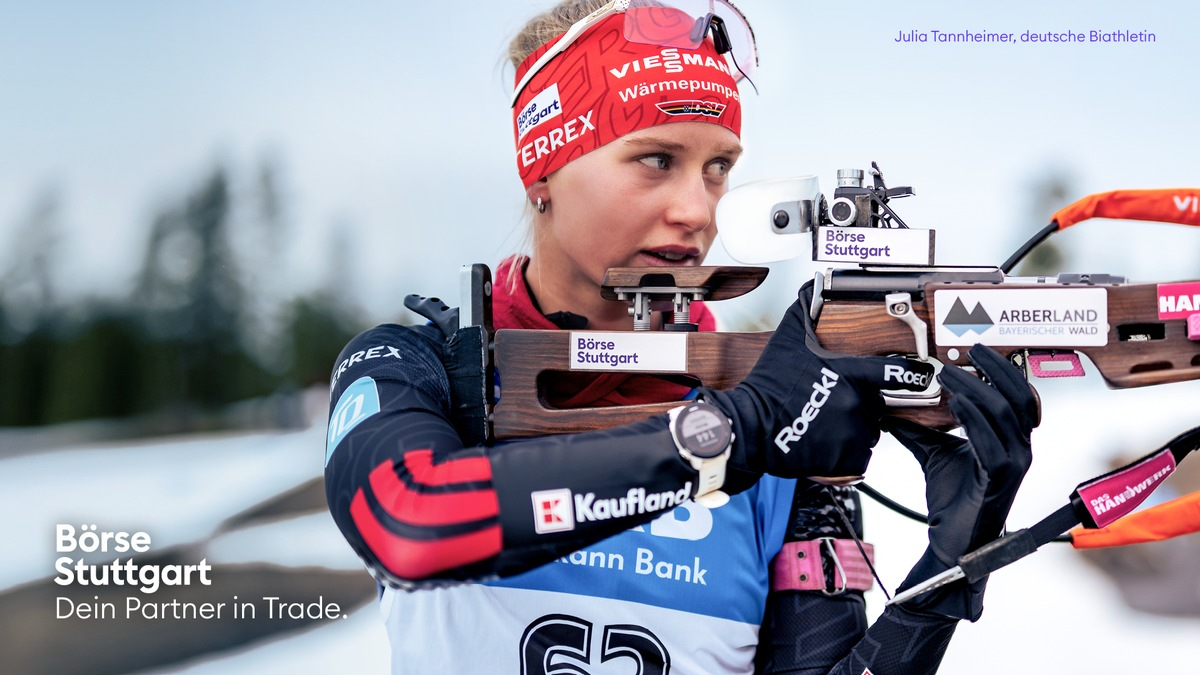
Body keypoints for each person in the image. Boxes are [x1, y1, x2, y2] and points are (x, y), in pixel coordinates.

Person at [323, 1, 1038, 672]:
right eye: (657, 159)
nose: (698, 211)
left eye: (719, 168)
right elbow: (410, 520)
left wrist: (949, 568)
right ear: (540, 170)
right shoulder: (415, 366)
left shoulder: (775, 410)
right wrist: (730, 435)